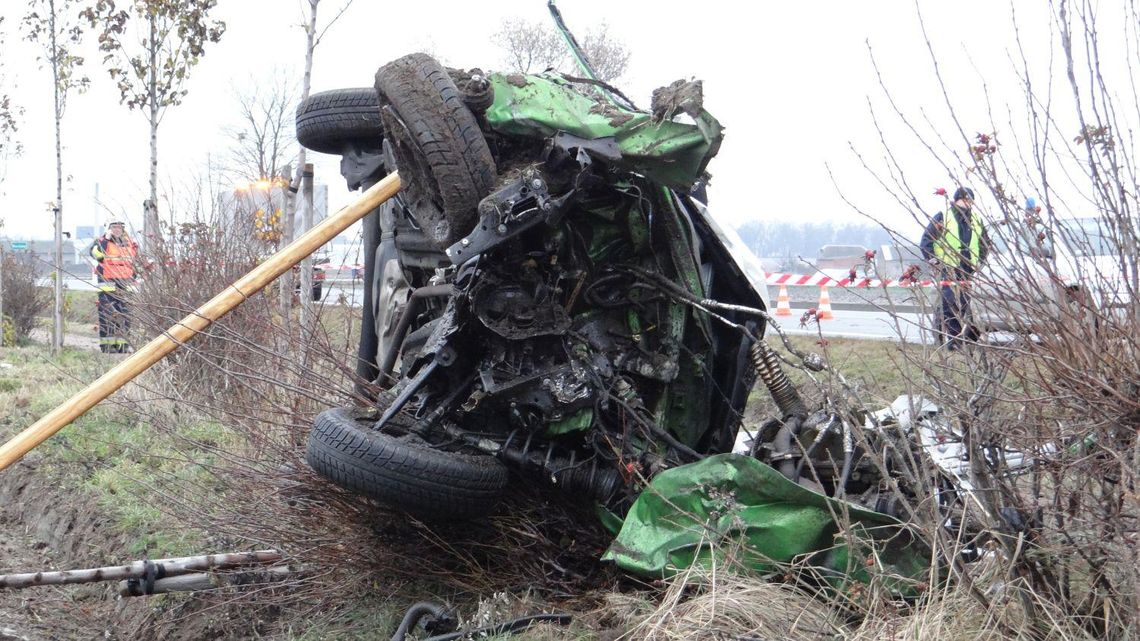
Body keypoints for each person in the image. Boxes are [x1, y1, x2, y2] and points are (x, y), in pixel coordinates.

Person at [920, 187, 989, 350]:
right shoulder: (943, 216)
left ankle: (959, 340)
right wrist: (935, 261)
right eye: (965, 199)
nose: (968, 203)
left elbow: (984, 243)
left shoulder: (977, 219)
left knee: (965, 306)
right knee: (949, 305)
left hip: (968, 270)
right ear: (956, 199)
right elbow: (926, 241)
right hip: (948, 269)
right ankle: (951, 342)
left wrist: (980, 263)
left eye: (970, 200)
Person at [88, 221, 138, 353]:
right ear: (108, 229)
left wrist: (134, 278)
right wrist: (106, 240)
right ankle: (108, 346)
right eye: (114, 227)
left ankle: (122, 346)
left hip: (126, 284)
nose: (117, 229)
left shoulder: (130, 243)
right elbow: (97, 255)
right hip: (107, 284)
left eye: (119, 227)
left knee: (125, 316)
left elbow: (136, 262)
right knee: (107, 315)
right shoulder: (101, 241)